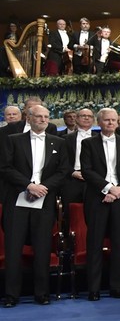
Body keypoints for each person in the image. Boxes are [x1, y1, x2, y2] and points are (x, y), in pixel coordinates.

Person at [0, 105, 70, 307]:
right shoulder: (13, 140)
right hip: (17, 199)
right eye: (38, 116)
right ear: (28, 118)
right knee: (13, 248)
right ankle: (12, 295)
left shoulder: (59, 142)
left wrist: (43, 187)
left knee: (42, 247)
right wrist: (28, 185)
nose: (43, 119)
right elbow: (4, 167)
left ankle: (42, 293)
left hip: (45, 200)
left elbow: (63, 170)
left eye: (46, 117)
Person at [80, 108, 120, 300]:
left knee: (119, 244)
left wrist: (118, 190)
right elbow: (87, 171)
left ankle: (116, 287)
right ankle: (94, 289)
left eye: (114, 120)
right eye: (107, 120)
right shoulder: (88, 143)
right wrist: (108, 188)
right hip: (97, 198)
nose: (111, 123)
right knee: (94, 243)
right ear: (99, 122)